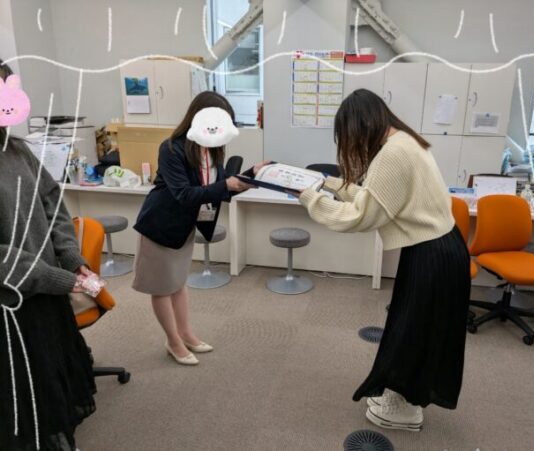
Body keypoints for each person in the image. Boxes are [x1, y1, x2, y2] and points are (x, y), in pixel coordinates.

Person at [295, 89, 471, 431]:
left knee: (413, 332)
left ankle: (404, 408)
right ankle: (403, 398)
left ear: (358, 126)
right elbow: (374, 196)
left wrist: (310, 200)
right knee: (416, 329)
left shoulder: (393, 153)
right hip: (439, 248)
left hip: (432, 255)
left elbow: (361, 216)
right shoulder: (405, 141)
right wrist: (326, 184)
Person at [0, 60, 96, 450]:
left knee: (53, 382)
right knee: (23, 401)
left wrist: (71, 257)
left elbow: (52, 202)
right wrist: (54, 277)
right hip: (11, 304)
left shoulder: (17, 149)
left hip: (45, 296)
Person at [132, 91, 265, 366]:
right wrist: (225, 185)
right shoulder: (172, 148)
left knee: (178, 284)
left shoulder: (211, 149)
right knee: (162, 287)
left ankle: (186, 334)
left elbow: (219, 185)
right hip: (161, 225)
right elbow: (184, 193)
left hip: (184, 226)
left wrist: (253, 174)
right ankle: (173, 341)